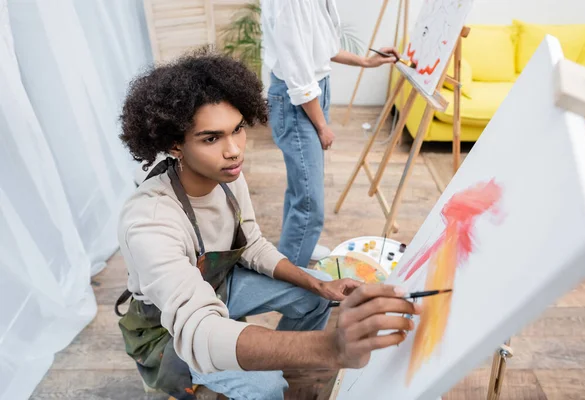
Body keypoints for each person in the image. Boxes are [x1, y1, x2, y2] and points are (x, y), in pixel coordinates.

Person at [114, 47, 419, 400]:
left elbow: (254, 245)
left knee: (317, 291)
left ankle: (284, 366)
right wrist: (330, 347)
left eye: (238, 130)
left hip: (219, 288)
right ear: (175, 144)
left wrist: (316, 285)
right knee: (268, 387)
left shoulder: (227, 177)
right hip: (169, 329)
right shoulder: (150, 222)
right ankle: (256, 379)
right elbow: (198, 330)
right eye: (211, 138)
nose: (234, 150)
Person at [261, 0, 401, 268]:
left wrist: (366, 61)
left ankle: (294, 252)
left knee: (301, 189)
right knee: (310, 205)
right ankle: (291, 285)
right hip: (298, 100)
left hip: (314, 91)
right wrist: (322, 126)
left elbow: (319, 48)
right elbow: (299, 76)